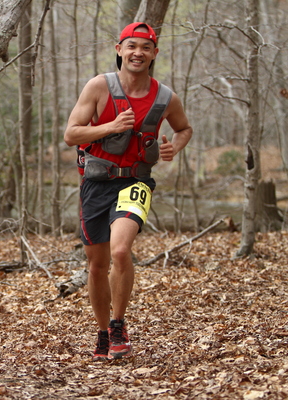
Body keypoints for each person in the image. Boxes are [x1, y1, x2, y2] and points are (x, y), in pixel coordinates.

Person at [63, 22, 193, 360]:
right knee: (97, 265)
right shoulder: (99, 86)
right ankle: (102, 333)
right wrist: (110, 127)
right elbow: (72, 134)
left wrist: (174, 147)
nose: (138, 53)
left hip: (136, 181)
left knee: (121, 251)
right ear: (119, 49)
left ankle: (118, 325)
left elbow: (184, 129)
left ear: (154, 53)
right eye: (132, 46)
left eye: (146, 48)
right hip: (96, 183)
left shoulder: (165, 97)